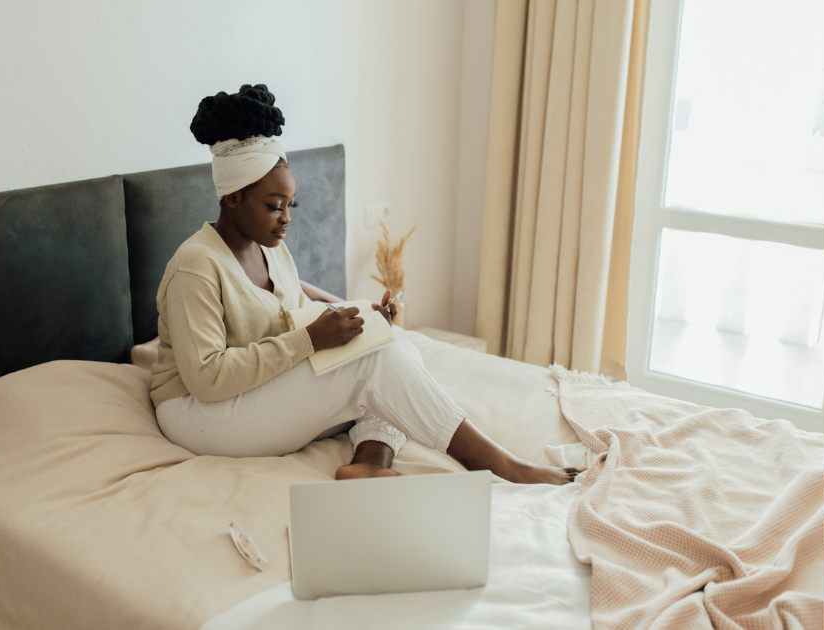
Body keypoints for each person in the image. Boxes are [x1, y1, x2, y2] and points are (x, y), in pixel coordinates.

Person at [151, 84, 579, 484]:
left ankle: (370, 463)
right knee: (376, 365)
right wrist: (309, 342)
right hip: (197, 412)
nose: (287, 219)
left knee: (399, 349)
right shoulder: (196, 266)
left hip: (245, 392)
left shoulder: (271, 248)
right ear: (232, 198)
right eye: (274, 207)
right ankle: (498, 464)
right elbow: (207, 377)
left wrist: (363, 320)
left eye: (290, 205)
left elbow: (294, 307)